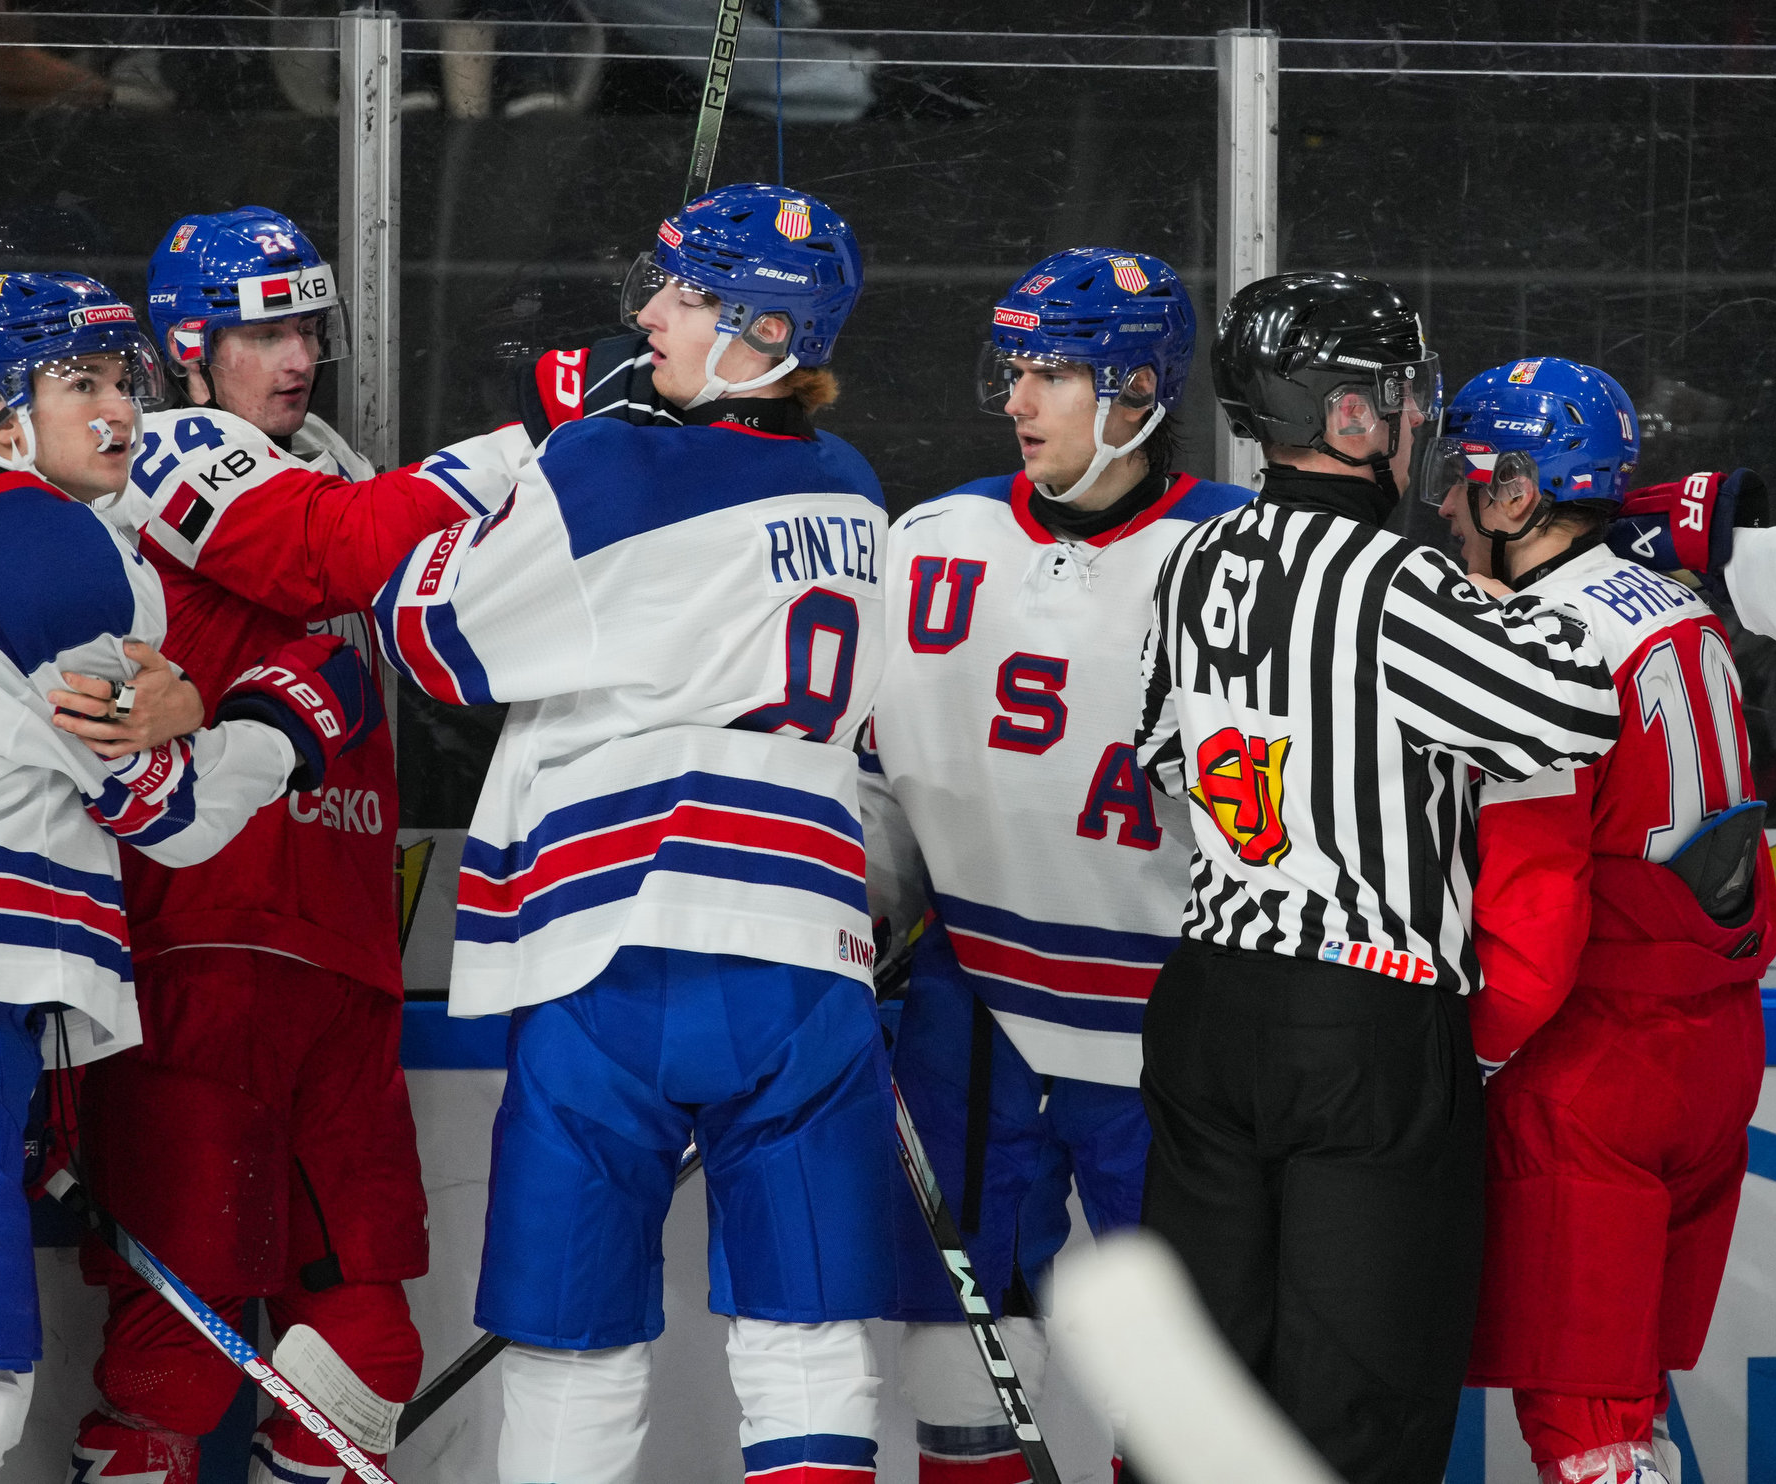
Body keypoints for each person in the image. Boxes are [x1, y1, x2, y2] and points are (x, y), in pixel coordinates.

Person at [0, 270, 374, 1484]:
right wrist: (283, 724)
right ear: (0, 417)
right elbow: (159, 812)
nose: (119, 412)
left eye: (124, 381)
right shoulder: (56, 550)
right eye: (80, 384)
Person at [373, 182, 892, 1484]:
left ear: (762, 330)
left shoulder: (610, 461)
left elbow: (433, 638)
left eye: (685, 291)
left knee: (572, 1335)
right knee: (807, 1329)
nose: (650, 311)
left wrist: (524, 457)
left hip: (619, 940)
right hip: (806, 950)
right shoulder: (853, 484)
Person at [1131, 272, 1623, 1484]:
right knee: (1353, 1406)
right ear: (1348, 417)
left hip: (1206, 1003)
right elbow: (1569, 707)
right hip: (1361, 1020)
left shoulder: (1194, 558)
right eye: (1400, 398)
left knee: (1196, 1393)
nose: (1419, 426)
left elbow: (1154, 750)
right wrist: (1554, 586)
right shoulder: (1399, 581)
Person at [66, 206, 493, 1484]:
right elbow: (318, 556)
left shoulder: (348, 474)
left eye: (307, 322)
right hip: (200, 941)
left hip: (342, 960)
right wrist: (549, 443)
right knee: (174, 1347)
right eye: (262, 328)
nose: (295, 352)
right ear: (191, 345)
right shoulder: (176, 446)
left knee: (361, 1355)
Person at [858, 246, 1250, 1484]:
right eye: (1013, 369)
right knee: (954, 1350)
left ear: (1135, 389)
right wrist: (851, 916)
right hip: (971, 1007)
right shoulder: (931, 536)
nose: (1017, 401)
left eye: (1053, 375)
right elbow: (873, 779)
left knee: (1183, 1368)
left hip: (1172, 1025)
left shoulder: (1236, 556)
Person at [1426, 358, 1776, 1484]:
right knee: (1626, 1397)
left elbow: (1531, 926)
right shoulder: (1674, 602)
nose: (1442, 501)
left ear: (1517, 492)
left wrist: (1457, 1060)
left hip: (1590, 1064)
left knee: (1584, 1422)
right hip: (1713, 1044)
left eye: (1462, 476)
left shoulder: (1537, 643)